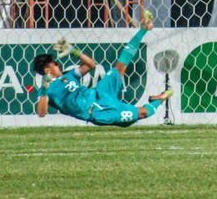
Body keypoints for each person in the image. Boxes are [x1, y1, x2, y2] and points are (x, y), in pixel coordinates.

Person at [30, 12, 172, 126]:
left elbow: (91, 64)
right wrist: (44, 87)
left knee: (118, 68)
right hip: (98, 111)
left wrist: (73, 51)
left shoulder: (69, 75)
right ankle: (159, 99)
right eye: (55, 63)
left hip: (100, 93)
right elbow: (41, 113)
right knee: (142, 113)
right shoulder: (47, 88)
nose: (58, 64)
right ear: (47, 69)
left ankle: (144, 29)